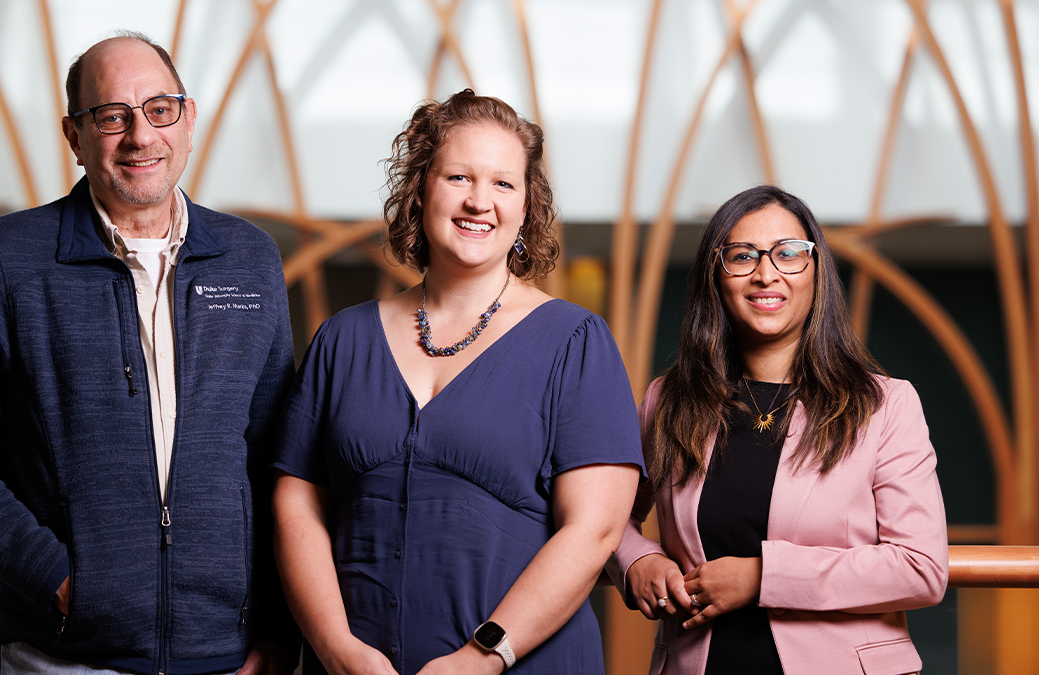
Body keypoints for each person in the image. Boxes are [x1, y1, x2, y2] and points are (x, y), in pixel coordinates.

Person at [0, 33, 296, 674]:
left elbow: (280, 460)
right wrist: (58, 579)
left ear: (189, 118)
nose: (140, 136)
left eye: (160, 109)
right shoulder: (5, 260)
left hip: (226, 658)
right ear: (74, 136)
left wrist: (280, 637)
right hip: (63, 656)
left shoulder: (250, 259)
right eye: (111, 116)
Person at [271, 89, 644, 675]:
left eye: (503, 184)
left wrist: (483, 656)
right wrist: (334, 648)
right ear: (420, 189)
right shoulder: (342, 340)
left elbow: (594, 530)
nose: (479, 201)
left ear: (526, 207)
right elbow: (297, 506)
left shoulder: (575, 341)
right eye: (459, 177)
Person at [607, 185, 949, 675]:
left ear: (816, 272)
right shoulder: (668, 401)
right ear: (716, 276)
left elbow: (921, 568)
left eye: (789, 253)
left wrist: (763, 577)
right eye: (742, 256)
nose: (766, 273)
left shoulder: (885, 405)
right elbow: (606, 517)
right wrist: (636, 560)